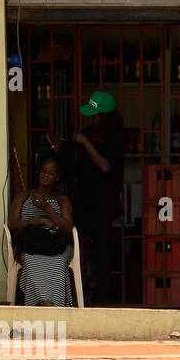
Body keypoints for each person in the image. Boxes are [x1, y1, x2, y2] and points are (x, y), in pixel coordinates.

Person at [61, 91, 124, 304]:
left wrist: (85, 144)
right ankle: (78, 294)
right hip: (85, 201)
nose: (89, 120)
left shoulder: (115, 139)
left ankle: (102, 299)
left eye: (94, 116)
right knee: (77, 247)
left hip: (103, 204)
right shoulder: (88, 134)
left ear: (105, 117)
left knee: (101, 252)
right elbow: (77, 168)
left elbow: (105, 166)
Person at [8, 154, 75, 307]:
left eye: (51, 173)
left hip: (57, 245)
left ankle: (53, 304)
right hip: (30, 244)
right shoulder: (23, 196)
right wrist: (39, 221)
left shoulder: (61, 199)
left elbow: (66, 227)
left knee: (58, 263)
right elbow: (12, 224)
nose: (46, 175)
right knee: (32, 262)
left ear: (57, 177)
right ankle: (46, 305)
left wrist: (46, 208)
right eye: (44, 171)